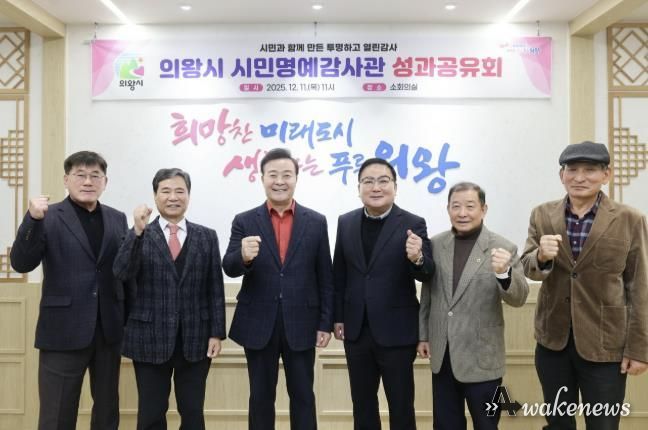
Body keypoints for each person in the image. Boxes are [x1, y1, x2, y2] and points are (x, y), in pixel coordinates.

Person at [522, 141, 648, 429]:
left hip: (606, 345)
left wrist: (639, 349)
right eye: (572, 170)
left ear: (606, 175)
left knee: (603, 424)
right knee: (558, 423)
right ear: (562, 175)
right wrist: (541, 256)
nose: (579, 177)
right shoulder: (542, 214)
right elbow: (527, 267)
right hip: (553, 342)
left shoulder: (630, 219)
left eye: (590, 170)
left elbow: (639, 287)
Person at [10, 151, 127, 430]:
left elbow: (124, 274)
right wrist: (32, 220)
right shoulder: (47, 216)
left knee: (107, 412)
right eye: (80, 175)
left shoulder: (117, 218)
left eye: (95, 175)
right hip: (62, 330)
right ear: (66, 180)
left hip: (108, 331)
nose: (88, 181)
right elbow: (21, 263)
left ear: (105, 181)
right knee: (57, 415)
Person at [223, 148, 334, 429]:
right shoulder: (245, 220)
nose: (280, 181)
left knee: (303, 396)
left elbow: (325, 276)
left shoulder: (316, 221)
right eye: (273, 175)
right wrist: (243, 257)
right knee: (260, 397)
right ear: (262, 178)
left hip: (303, 322)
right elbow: (229, 266)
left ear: (296, 178)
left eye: (287, 175)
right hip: (258, 322)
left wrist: (325, 323)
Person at [113, 168, 225, 430]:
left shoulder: (206, 236)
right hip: (148, 337)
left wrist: (216, 333)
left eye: (179, 191)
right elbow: (121, 272)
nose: (173, 197)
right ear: (155, 196)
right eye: (165, 191)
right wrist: (137, 232)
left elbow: (214, 288)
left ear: (188, 196)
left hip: (196, 338)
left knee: (193, 411)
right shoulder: (139, 233)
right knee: (151, 412)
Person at [333, 157, 434, 430]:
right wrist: (338, 317)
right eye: (368, 181)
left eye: (383, 181)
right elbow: (339, 273)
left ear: (395, 187)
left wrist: (417, 258)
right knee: (362, 405)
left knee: (401, 406)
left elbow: (427, 274)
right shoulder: (346, 222)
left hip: (397, 332)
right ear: (359, 188)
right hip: (356, 330)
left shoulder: (413, 223)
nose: (375, 187)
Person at [418, 181, 529, 430]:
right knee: (445, 425)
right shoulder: (435, 244)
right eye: (456, 206)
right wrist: (423, 335)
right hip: (443, 354)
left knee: (486, 425)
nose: (462, 213)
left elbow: (519, 297)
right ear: (448, 209)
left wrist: (504, 274)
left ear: (483, 209)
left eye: (470, 206)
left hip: (483, 357)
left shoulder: (503, 247)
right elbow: (428, 294)